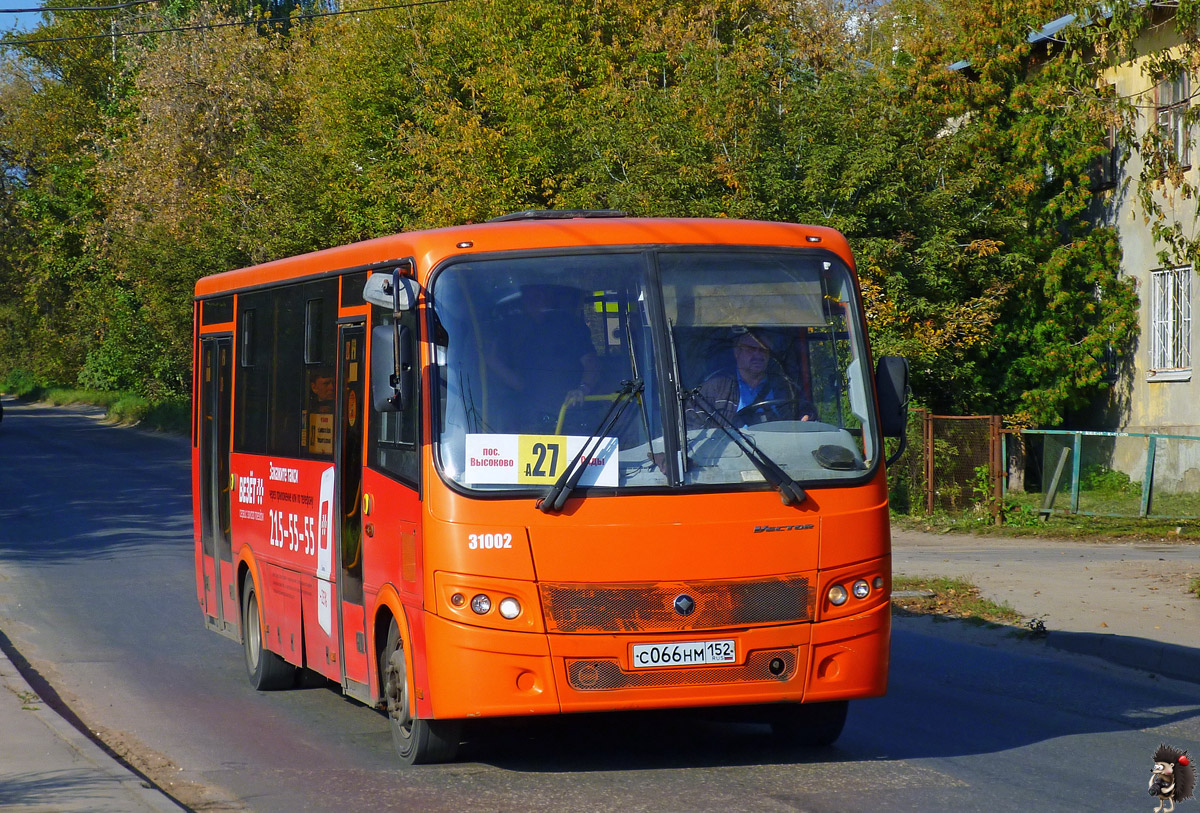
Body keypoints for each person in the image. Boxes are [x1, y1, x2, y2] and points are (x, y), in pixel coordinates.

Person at [486, 284, 599, 433]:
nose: (536, 302)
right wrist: (494, 363)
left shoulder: (570, 326)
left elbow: (591, 363)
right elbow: (521, 384)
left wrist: (583, 389)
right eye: (529, 298)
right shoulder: (520, 333)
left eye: (539, 296)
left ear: (550, 297)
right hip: (532, 421)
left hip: (572, 418)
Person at [686, 330, 816, 428]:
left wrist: (806, 418)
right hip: (730, 459)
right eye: (751, 349)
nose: (758, 355)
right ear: (737, 353)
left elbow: (806, 414)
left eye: (763, 350)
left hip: (777, 458)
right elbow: (692, 426)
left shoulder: (786, 388)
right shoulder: (714, 389)